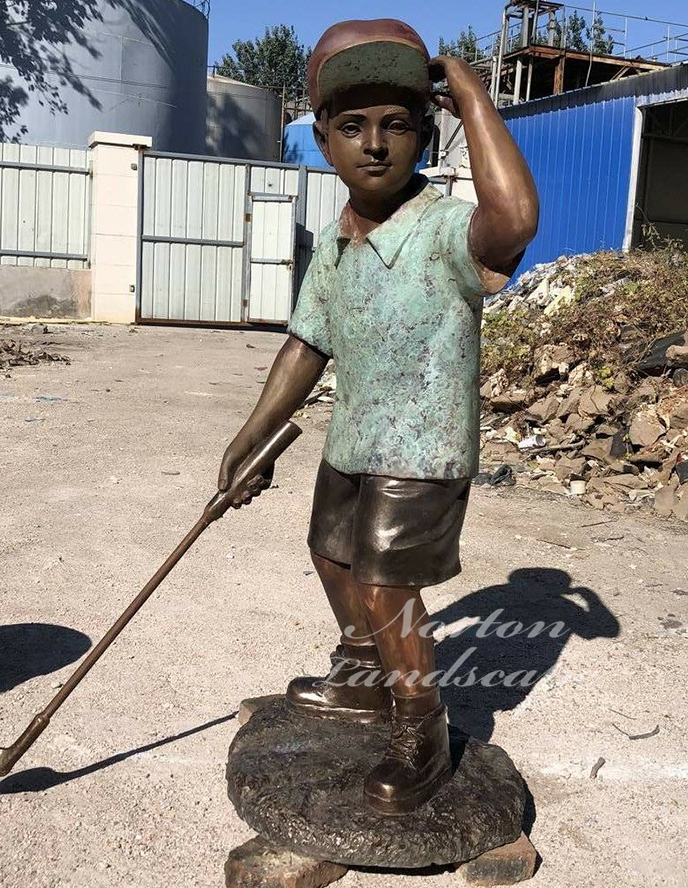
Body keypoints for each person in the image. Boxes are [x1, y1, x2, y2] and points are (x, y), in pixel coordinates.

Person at [218, 19, 539, 816]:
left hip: (422, 447)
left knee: (387, 583)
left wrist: (468, 91)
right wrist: (251, 436)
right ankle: (365, 673)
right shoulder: (331, 245)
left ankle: (420, 724)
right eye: (352, 126)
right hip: (356, 439)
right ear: (322, 141)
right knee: (331, 553)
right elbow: (305, 345)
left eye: (396, 125)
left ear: (426, 135)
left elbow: (515, 221)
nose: (374, 145)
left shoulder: (440, 230)